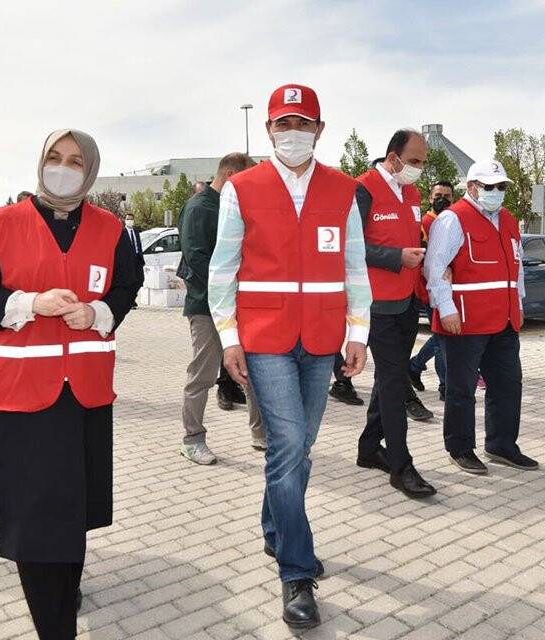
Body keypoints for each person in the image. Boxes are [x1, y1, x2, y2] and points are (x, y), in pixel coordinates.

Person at [0, 129, 141, 640]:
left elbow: (125, 289)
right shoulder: (3, 223)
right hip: (24, 392)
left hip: (85, 390)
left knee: (74, 508)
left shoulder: (110, 229)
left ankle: (66, 589)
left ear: (90, 171)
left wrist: (99, 311)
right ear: (40, 162)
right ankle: (54, 625)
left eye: (75, 160)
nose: (63, 167)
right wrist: (28, 304)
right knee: (35, 518)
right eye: (55, 157)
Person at [210, 84, 371, 629]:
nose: (293, 132)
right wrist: (229, 337)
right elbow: (222, 268)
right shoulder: (242, 188)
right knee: (288, 443)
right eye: (284, 123)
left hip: (322, 338)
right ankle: (297, 572)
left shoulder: (343, 189)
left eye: (303, 123)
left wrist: (358, 331)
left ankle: (275, 529)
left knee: (299, 449)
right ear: (269, 129)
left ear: (320, 130)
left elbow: (354, 267)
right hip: (266, 338)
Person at [425, 160, 538, 475]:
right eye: (490, 186)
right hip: (464, 320)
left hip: (503, 320)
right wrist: (445, 308)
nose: (496, 192)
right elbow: (434, 268)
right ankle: (460, 448)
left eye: (501, 186)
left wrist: (519, 303)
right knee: (461, 389)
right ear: (472, 187)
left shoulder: (510, 220)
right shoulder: (452, 219)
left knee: (508, 384)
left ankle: (502, 445)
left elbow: (515, 269)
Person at [354, 130, 437, 499]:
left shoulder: (412, 193)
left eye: (423, 162)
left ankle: (370, 447)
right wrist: (393, 258)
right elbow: (349, 246)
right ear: (393, 158)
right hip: (376, 303)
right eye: (414, 161)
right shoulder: (363, 189)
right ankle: (401, 467)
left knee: (390, 377)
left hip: (406, 300)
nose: (419, 169)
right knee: (393, 382)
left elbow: (411, 236)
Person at [177, 153, 267, 464]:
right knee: (202, 374)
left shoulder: (233, 207)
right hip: (207, 307)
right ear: (230, 175)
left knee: (253, 371)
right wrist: (233, 284)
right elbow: (197, 258)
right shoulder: (201, 207)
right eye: (247, 180)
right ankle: (192, 438)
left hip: (240, 306)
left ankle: (260, 433)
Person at [409, 180, 455, 400]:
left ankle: (415, 366)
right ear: (430, 198)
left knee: (440, 338)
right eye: (438, 195)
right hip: (428, 290)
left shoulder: (454, 221)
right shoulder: (424, 223)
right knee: (441, 340)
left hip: (450, 291)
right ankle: (445, 386)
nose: (442, 200)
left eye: (447, 196)